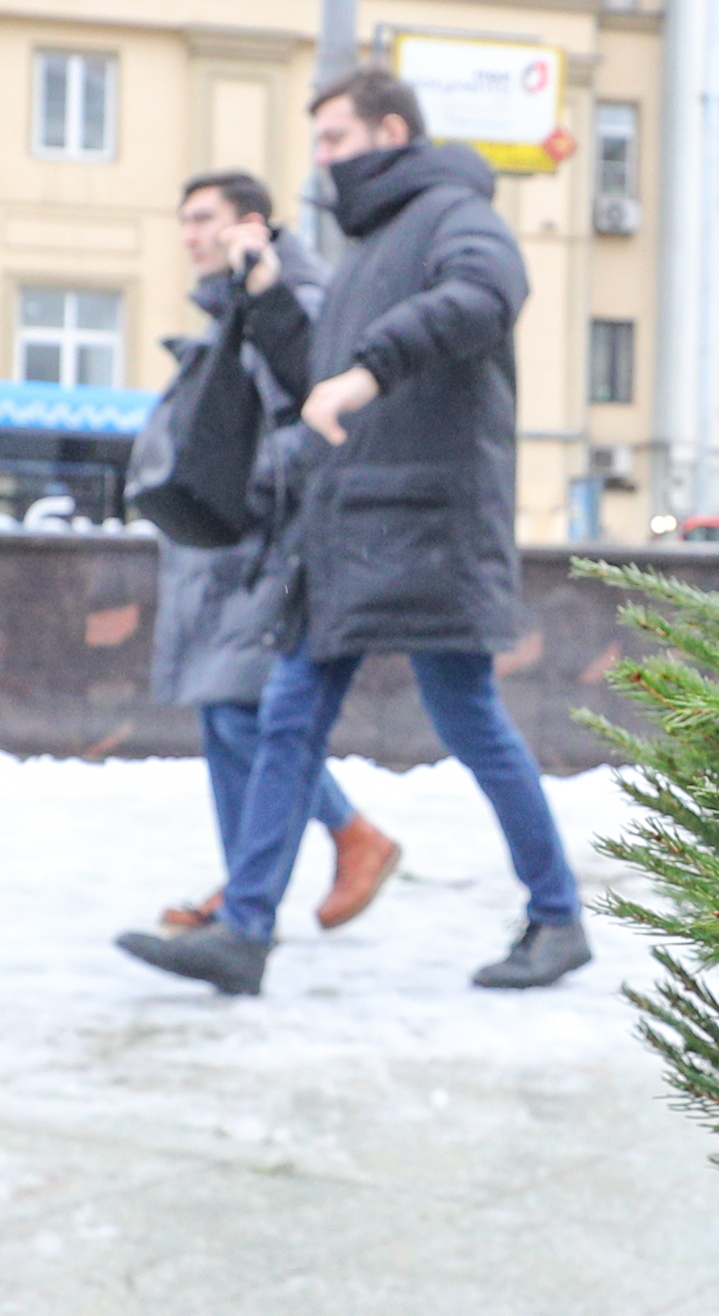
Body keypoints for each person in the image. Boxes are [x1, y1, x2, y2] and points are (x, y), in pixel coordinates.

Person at [117, 68, 590, 996]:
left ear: (389, 131)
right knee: (287, 715)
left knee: (470, 721)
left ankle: (558, 916)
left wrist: (370, 368)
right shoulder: (370, 245)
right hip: (347, 528)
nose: (322, 161)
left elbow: (489, 293)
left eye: (334, 140)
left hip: (429, 523)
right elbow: (316, 379)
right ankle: (244, 933)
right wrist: (264, 299)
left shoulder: (456, 213)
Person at [143, 170, 398, 934]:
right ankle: (243, 887)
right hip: (233, 540)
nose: (190, 235)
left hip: (278, 539)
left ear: (250, 223)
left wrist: (244, 479)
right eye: (184, 221)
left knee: (250, 713)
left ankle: (352, 835)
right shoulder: (230, 304)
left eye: (204, 219)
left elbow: (324, 408)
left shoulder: (301, 297)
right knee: (224, 711)